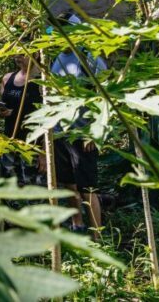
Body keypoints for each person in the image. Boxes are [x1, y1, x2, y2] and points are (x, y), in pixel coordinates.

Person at [49, 14, 107, 235]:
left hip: (82, 133)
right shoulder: (57, 58)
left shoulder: (88, 58)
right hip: (60, 132)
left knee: (87, 187)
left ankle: (97, 235)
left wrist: (95, 131)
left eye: (62, 29)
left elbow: (105, 95)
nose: (56, 34)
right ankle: (77, 224)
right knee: (68, 183)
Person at [0, 52, 43, 184]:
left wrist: (44, 152)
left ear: (35, 54)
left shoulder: (42, 81)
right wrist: (1, 111)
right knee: (9, 183)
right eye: (15, 54)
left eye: (23, 54)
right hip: (9, 139)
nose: (18, 57)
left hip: (32, 143)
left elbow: (49, 116)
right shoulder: (7, 78)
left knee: (32, 184)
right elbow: (4, 104)